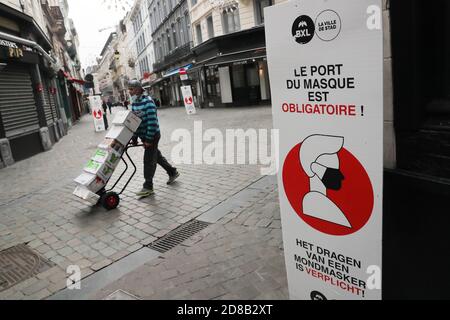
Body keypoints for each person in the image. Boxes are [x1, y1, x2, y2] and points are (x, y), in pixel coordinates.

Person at [128, 79, 180, 197]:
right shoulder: (135, 102)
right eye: (129, 89)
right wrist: (134, 137)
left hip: (152, 135)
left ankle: (148, 186)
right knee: (156, 156)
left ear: (138, 88)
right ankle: (172, 172)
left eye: (131, 89)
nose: (129, 92)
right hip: (144, 136)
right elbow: (134, 120)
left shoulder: (148, 102)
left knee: (148, 161)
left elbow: (152, 123)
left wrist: (149, 140)